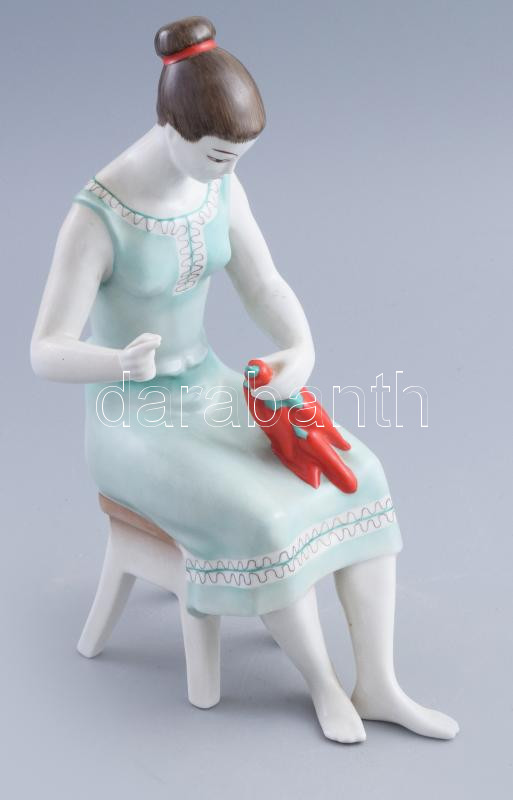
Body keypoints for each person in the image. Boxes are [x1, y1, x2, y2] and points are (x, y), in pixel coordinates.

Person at [30, 16, 458, 743]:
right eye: (219, 155)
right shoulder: (98, 217)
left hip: (209, 384)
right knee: (261, 515)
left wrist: (299, 347)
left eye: (239, 157)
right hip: (132, 417)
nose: (229, 169)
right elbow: (45, 350)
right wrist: (114, 362)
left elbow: (263, 284)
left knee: (360, 470)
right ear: (171, 127)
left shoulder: (219, 186)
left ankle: (378, 683)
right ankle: (323, 685)